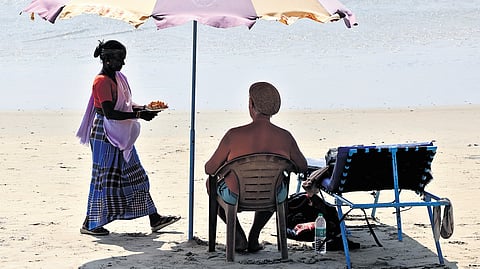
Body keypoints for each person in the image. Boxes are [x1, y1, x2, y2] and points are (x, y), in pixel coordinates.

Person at [76, 40, 180, 236]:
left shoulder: (119, 77)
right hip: (104, 134)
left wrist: (143, 108)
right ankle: (89, 223)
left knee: (136, 174)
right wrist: (139, 115)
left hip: (120, 133)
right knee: (102, 179)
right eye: (118, 60)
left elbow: (125, 105)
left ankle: (154, 218)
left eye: (123, 59)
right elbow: (110, 113)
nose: (122, 64)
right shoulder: (101, 82)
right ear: (106, 60)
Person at [205, 81, 308, 252]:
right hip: (271, 195)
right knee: (275, 185)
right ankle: (254, 236)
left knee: (211, 184)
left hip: (235, 196)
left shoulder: (234, 135)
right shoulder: (285, 137)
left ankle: (238, 236)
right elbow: (302, 166)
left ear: (251, 104)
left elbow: (210, 169)